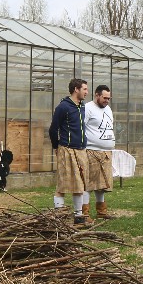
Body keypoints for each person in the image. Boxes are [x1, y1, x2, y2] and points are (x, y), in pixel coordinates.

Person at [48, 78, 90, 225]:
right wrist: (56, 147)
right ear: (76, 89)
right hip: (67, 149)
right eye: (84, 89)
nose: (87, 92)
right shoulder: (63, 107)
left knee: (80, 184)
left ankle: (78, 216)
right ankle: (59, 216)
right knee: (63, 184)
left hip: (81, 150)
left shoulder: (82, 106)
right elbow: (53, 129)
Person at [83, 84, 115, 219]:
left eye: (108, 98)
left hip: (106, 152)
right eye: (104, 98)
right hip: (91, 151)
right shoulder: (87, 108)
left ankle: (101, 212)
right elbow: (81, 128)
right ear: (97, 95)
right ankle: (84, 213)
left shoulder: (108, 109)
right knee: (89, 183)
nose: (107, 101)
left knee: (102, 184)